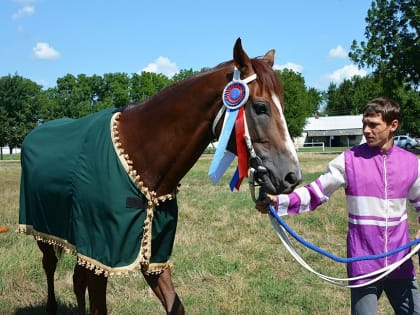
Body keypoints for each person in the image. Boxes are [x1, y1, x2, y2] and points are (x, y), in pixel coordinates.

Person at [256, 97, 420, 314]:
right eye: (364, 124)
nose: (366, 131)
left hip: (400, 263)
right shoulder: (349, 160)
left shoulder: (411, 164)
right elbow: (317, 192)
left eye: (374, 125)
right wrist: (280, 201)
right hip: (363, 264)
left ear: (393, 126)